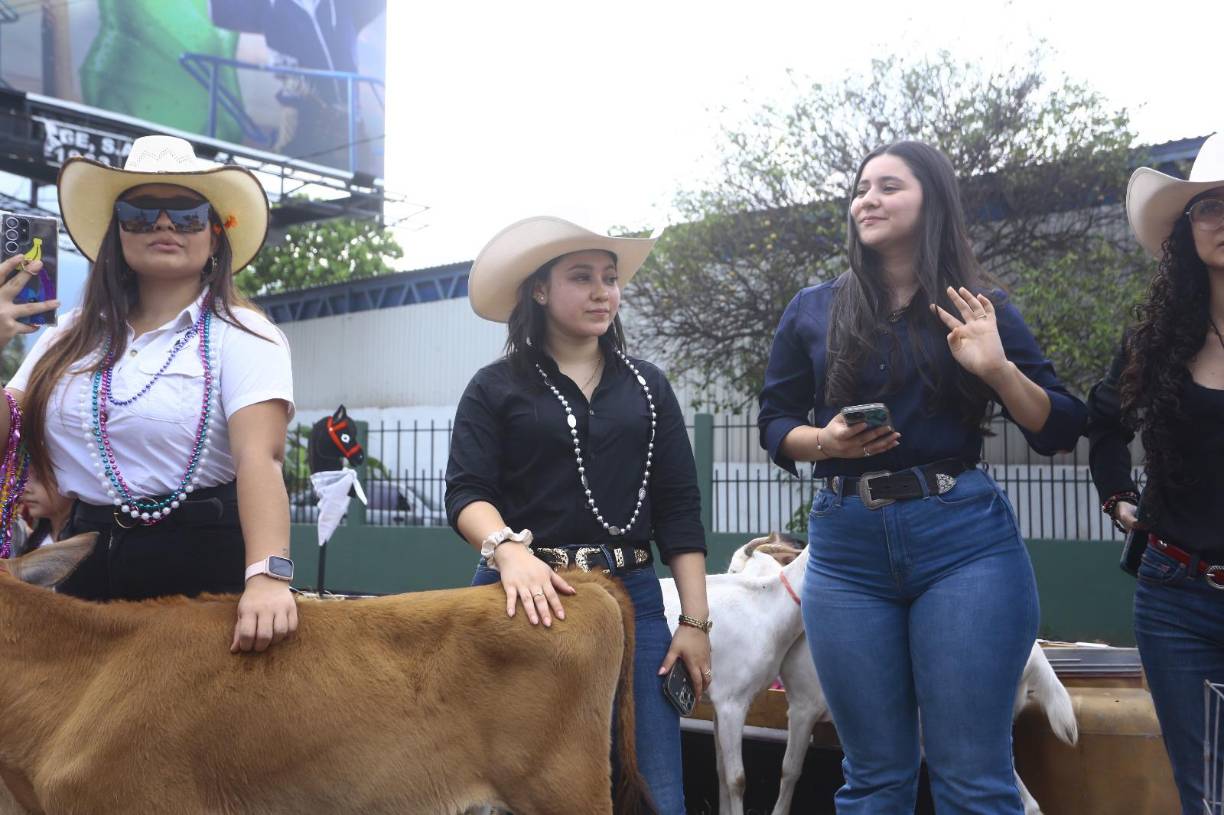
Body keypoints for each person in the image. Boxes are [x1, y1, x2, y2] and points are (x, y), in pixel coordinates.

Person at [758, 141, 1086, 813]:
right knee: (873, 778)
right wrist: (826, 442)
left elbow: (1057, 427)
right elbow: (775, 422)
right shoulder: (814, 308)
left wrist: (997, 369)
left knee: (972, 777)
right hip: (846, 551)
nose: (868, 200)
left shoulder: (979, 306)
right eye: (861, 189)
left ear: (930, 200)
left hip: (963, 545)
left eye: (889, 187)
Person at [445, 216, 711, 814]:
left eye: (610, 279)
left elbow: (679, 508)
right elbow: (465, 492)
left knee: (657, 791)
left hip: (634, 601)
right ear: (539, 290)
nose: (602, 292)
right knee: (513, 791)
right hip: (522, 597)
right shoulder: (494, 387)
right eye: (582, 277)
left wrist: (695, 623)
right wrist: (509, 552)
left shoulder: (649, 387)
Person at [2, 134, 297, 653]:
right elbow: (10, 429)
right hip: (82, 562)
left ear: (214, 235)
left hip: (200, 568)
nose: (163, 225)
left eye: (186, 214)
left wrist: (268, 577)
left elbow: (261, 458)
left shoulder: (246, 334)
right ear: (117, 233)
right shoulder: (67, 333)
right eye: (140, 214)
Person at [1087, 132, 1224, 814]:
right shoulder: (1158, 339)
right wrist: (1119, 497)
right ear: (1188, 228)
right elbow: (1104, 422)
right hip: (1178, 599)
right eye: (1212, 206)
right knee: (1208, 795)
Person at [17, 471, 73, 554]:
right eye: (24, 479)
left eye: (40, 478)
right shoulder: (30, 540)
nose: (25, 489)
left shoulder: (86, 546)